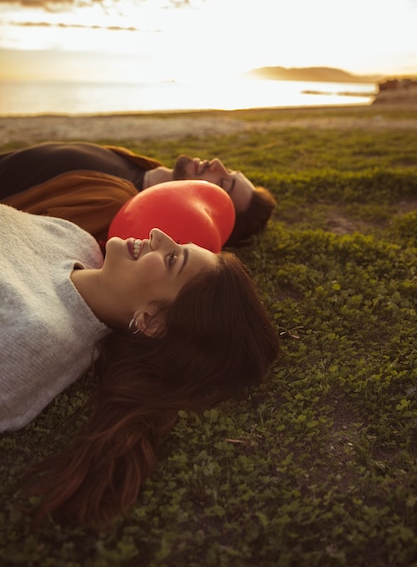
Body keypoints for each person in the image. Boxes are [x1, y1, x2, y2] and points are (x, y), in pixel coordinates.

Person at [0, 203, 279, 527]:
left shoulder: (29, 341)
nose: (158, 235)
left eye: (172, 258)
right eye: (176, 244)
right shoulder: (78, 241)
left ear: (151, 322)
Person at [0, 141, 276, 246]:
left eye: (224, 182)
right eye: (231, 172)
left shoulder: (113, 203)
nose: (218, 164)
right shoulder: (143, 166)